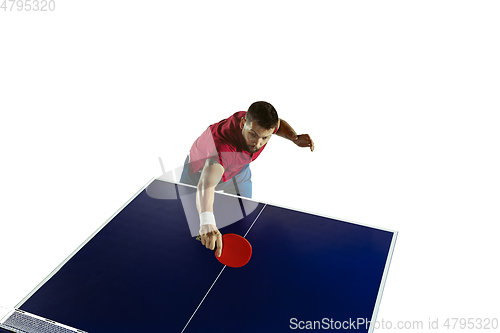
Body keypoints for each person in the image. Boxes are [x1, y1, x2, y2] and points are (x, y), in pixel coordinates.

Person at [179, 101, 314, 257]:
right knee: (187, 222)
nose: (258, 143)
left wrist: (294, 137)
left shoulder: (261, 124)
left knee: (243, 217)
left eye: (265, 138)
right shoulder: (222, 147)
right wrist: (207, 222)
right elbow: (206, 183)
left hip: (239, 170)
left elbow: (278, 124)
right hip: (199, 172)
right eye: (253, 134)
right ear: (243, 123)